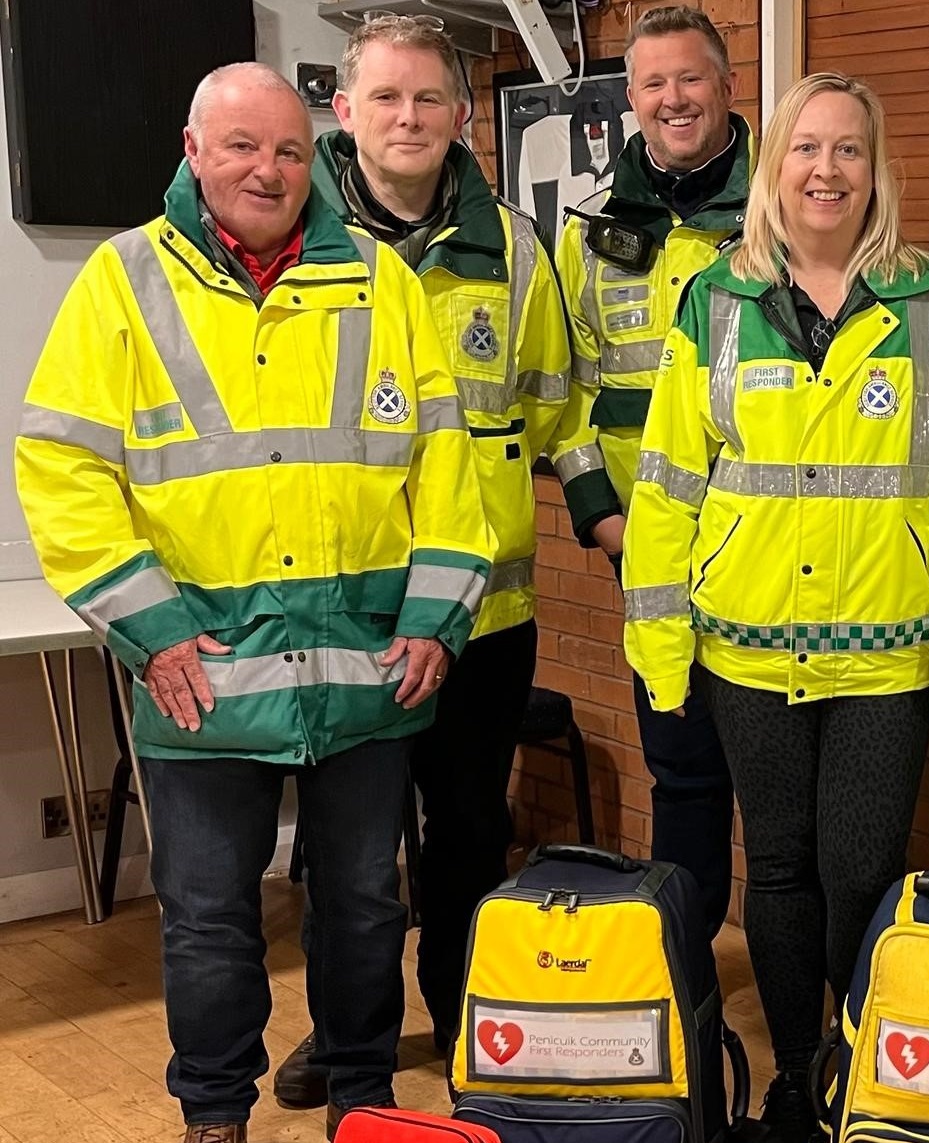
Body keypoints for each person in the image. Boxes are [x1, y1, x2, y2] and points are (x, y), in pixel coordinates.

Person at [13, 63, 490, 1143]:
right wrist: (153, 628)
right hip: (205, 679)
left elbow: (449, 465)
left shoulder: (378, 279)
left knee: (367, 906)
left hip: (364, 668)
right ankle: (215, 1114)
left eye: (285, 147)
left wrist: (435, 615)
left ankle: (362, 1095)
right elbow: (58, 467)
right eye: (240, 147)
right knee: (209, 920)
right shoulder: (123, 281)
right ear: (193, 151)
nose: (267, 169)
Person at [623, 72, 929, 1143]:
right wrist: (660, 644)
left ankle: (860, 1064)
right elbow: (668, 486)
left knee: (861, 871)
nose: (826, 170)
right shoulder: (716, 301)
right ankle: (802, 1079)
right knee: (783, 868)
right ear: (776, 168)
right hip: (745, 650)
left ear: (878, 170)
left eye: (849, 151)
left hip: (889, 654)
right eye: (807, 149)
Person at [269, 12, 574, 1110]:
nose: (408, 118)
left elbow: (553, 405)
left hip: (482, 619)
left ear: (460, 115)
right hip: (341, 614)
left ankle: (458, 1023)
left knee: (468, 837)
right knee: (341, 857)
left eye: (428, 100)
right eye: (385, 98)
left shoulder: (516, 251)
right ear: (343, 112)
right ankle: (348, 1035)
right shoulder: (297, 251)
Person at [549, 4, 748, 939]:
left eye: (691, 79)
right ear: (630, 99)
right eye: (654, 84)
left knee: (787, 790)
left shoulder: (784, 210)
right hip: (651, 554)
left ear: (728, 84)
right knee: (683, 771)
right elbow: (568, 392)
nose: (674, 99)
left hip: (771, 551)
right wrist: (605, 522)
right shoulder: (588, 229)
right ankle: (690, 975)